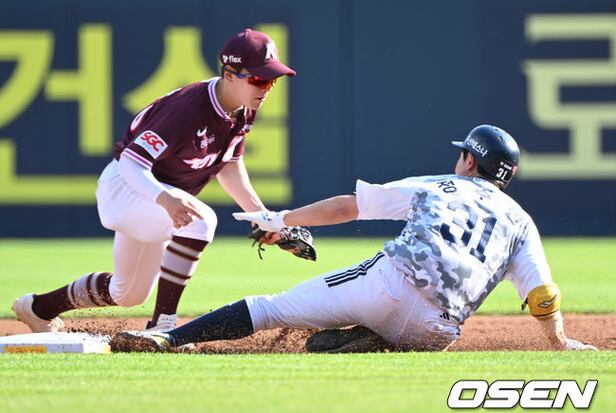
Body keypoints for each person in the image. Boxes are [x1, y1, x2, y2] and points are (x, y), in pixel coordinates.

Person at [110, 125, 597, 352]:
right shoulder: (521, 222)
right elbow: (543, 294)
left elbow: (349, 206)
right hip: (438, 332)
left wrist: (280, 218)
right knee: (417, 328)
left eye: (462, 155)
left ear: (470, 160)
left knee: (270, 308)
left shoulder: (440, 185)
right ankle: (375, 338)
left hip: (388, 287)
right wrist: (559, 343)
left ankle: (168, 338)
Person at [12, 28, 296, 333]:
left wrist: (264, 218)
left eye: (272, 80)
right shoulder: (188, 110)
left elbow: (228, 165)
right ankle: (163, 326)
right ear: (229, 74)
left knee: (128, 293)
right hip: (126, 188)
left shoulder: (243, 108)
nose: (267, 88)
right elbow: (131, 162)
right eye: (259, 79)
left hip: (157, 199)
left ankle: (38, 308)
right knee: (201, 221)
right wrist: (166, 199)